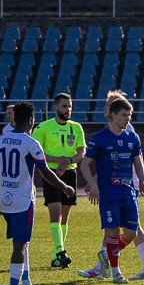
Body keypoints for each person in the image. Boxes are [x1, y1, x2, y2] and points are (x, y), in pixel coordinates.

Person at [0, 102, 74, 285]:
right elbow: (46, 173)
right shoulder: (31, 143)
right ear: (31, 120)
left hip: (4, 200)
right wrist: (64, 187)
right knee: (20, 245)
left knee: (22, 242)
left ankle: (26, 282)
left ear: (15, 118)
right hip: (23, 201)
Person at [76, 91, 144, 283]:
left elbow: (137, 162)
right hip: (110, 190)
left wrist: (143, 180)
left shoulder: (131, 135)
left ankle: (105, 259)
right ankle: (114, 270)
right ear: (114, 114)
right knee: (112, 230)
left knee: (132, 231)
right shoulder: (101, 137)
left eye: (129, 115)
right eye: (124, 114)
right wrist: (94, 183)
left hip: (129, 187)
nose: (128, 118)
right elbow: (95, 163)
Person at [31, 91, 86, 268]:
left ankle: (57, 256)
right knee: (55, 213)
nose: (68, 109)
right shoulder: (43, 127)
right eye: (64, 106)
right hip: (51, 173)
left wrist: (68, 161)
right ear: (55, 107)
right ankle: (60, 251)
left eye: (70, 106)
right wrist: (57, 160)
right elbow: (36, 152)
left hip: (70, 173)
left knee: (65, 217)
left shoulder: (76, 127)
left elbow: (81, 152)